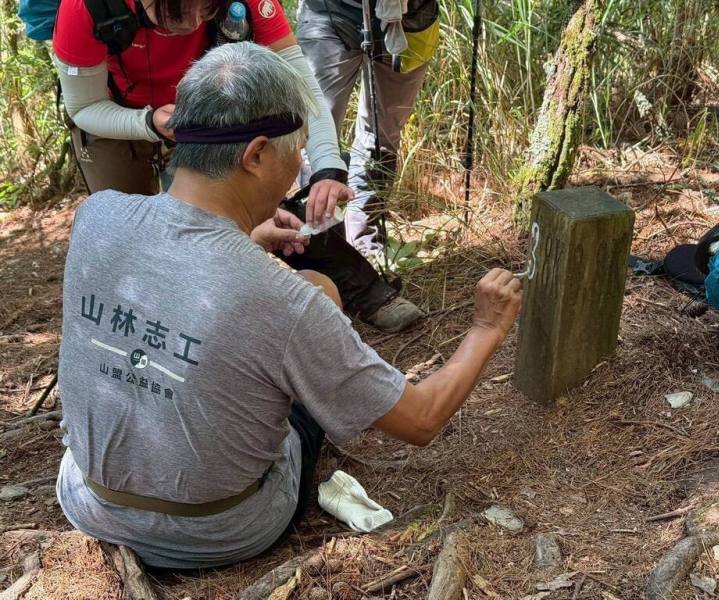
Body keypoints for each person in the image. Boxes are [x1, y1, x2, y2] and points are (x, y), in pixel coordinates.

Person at [56, 42, 522, 569]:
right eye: (297, 149)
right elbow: (421, 420)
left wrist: (245, 241)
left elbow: (177, 278)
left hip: (88, 501)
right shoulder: (283, 300)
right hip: (220, 530)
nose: (300, 166)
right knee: (321, 294)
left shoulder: (97, 215)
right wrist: (487, 326)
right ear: (255, 155)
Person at [52, 0, 423, 332]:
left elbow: (303, 90)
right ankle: (144, 327)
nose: (196, 23)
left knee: (255, 196)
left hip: (205, 111)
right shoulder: (86, 8)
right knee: (133, 236)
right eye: (182, 11)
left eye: (209, 9)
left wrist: (328, 169)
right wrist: (148, 124)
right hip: (116, 117)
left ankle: (363, 289)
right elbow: (84, 108)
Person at [296, 0, 439, 256]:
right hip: (328, 10)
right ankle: (323, 249)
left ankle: (366, 246)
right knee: (315, 130)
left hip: (411, 17)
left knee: (382, 137)